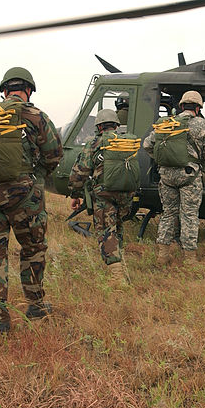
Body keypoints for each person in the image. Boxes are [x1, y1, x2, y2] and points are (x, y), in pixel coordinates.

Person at [0, 67, 63, 337]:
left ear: (4, 91)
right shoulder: (36, 117)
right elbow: (54, 154)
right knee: (33, 249)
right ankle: (35, 305)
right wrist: (36, 177)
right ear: (29, 90)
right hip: (27, 199)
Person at [143, 90, 205, 263]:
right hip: (189, 176)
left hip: (166, 176)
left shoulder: (167, 123)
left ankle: (162, 255)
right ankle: (189, 259)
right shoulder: (202, 125)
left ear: (182, 106)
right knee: (189, 215)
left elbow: (148, 144)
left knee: (168, 213)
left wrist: (163, 160)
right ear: (198, 108)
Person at [68, 109, 139, 287]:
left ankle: (117, 275)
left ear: (99, 126)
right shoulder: (125, 143)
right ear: (116, 125)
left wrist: (75, 195)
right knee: (117, 228)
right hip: (126, 195)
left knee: (107, 231)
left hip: (104, 195)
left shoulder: (93, 144)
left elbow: (80, 172)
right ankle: (120, 263)